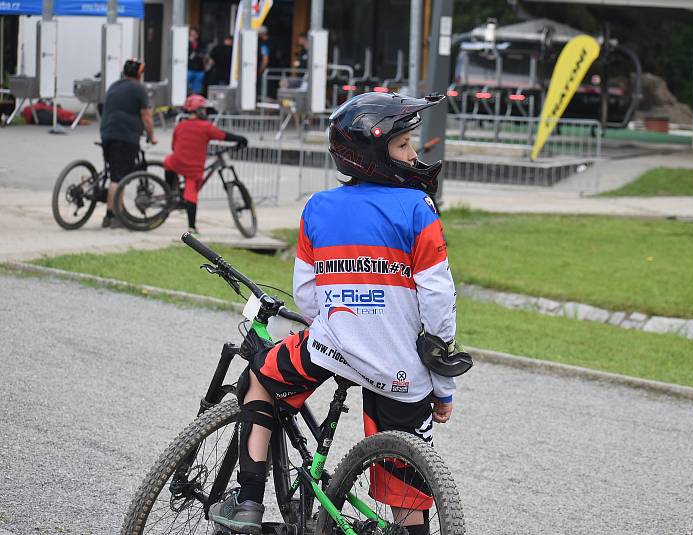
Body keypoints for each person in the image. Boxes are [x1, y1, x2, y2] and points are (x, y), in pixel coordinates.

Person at [208, 92, 472, 535]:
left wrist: (344, 323)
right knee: (406, 488)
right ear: (374, 153)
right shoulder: (417, 210)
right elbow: (439, 309)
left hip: (332, 347)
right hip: (401, 372)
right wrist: (442, 389)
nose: (413, 153)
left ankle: (249, 503)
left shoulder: (317, 208)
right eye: (403, 145)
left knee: (258, 378)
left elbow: (308, 298)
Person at [163, 95, 248, 234]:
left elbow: (173, 146)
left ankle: (169, 191)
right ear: (200, 111)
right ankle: (191, 226)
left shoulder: (180, 126)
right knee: (191, 193)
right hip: (193, 168)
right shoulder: (206, 127)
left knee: (168, 162)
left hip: (176, 162)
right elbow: (223, 135)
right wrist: (241, 139)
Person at [99, 59, 156, 228]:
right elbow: (146, 115)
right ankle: (112, 215)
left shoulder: (114, 86)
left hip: (107, 133)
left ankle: (118, 211)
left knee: (116, 174)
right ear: (139, 75)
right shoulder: (139, 89)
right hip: (124, 137)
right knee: (118, 178)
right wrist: (151, 136)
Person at [187, 27, 206, 95]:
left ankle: (195, 100)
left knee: (197, 88)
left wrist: (204, 68)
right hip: (189, 68)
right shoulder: (186, 43)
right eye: (191, 34)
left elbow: (204, 55)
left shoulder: (201, 44)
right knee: (186, 86)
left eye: (195, 34)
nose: (193, 35)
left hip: (199, 69)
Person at [256, 26, 270, 99]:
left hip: (264, 71)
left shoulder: (263, 44)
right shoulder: (263, 43)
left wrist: (260, 71)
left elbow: (265, 59)